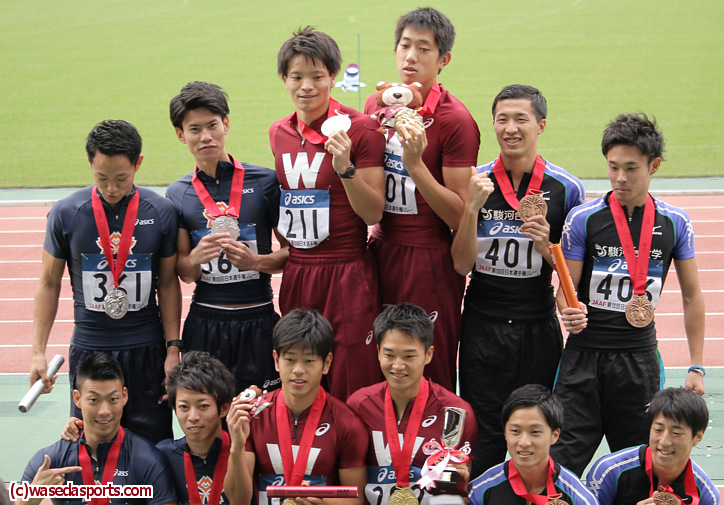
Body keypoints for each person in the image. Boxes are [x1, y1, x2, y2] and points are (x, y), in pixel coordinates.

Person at [552, 112, 706, 475]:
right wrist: (568, 310)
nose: (620, 177)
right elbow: (565, 291)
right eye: (613, 166)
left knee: (638, 467)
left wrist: (696, 365)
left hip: (639, 361)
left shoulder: (675, 222)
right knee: (559, 465)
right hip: (583, 358)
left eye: (631, 168)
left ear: (654, 166)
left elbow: (692, 296)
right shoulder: (583, 218)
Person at [450, 84, 586, 476]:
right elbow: (460, 264)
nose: (510, 128)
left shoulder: (566, 189)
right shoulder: (475, 181)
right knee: (484, 438)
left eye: (520, 119)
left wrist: (547, 247)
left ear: (540, 125)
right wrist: (471, 209)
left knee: (536, 430)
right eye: (502, 119)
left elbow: (573, 274)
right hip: (482, 325)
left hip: (537, 326)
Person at [30, 119, 180, 443]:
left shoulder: (162, 211)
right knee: (92, 446)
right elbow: (48, 283)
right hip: (90, 347)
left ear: (138, 164)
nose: (111, 188)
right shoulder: (66, 213)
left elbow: (168, 284)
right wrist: (37, 352)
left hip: (146, 348)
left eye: (121, 178)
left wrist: (173, 348)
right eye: (102, 178)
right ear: (89, 163)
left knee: (152, 445)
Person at [362, 8, 481, 391]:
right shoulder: (375, 106)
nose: (410, 56)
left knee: (429, 365)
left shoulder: (454, 120)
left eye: (424, 49)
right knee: (380, 361)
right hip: (380, 250)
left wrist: (416, 167)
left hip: (429, 260)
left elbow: (459, 214)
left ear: (443, 59)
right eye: (404, 46)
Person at [270, 27, 386, 400]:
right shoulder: (278, 132)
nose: (307, 86)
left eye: (317, 76)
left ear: (333, 77)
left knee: (353, 384)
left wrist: (345, 169)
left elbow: (373, 213)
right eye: (297, 77)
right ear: (284, 79)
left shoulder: (362, 128)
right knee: (299, 382)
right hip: (298, 272)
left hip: (347, 271)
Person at [166, 81, 287, 393]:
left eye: (212, 125)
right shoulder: (178, 193)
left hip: (259, 318)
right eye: (194, 129)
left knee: (261, 410)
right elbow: (185, 273)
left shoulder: (264, 182)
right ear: (181, 135)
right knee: (205, 412)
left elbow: (291, 254)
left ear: (226, 124)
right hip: (206, 322)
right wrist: (195, 258)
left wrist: (255, 262)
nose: (205, 136)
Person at [347, 303, 477, 505]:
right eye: (389, 355)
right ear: (378, 352)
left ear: (428, 354)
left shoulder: (456, 414)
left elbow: (454, 496)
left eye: (409, 356)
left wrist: (457, 482)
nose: (398, 365)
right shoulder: (358, 406)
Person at [239, 309, 368, 505]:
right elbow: (237, 499)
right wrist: (236, 445)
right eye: (290, 360)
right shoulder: (254, 416)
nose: (298, 370)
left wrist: (323, 503)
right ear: (276, 360)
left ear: (326, 363)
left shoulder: (347, 424)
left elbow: (356, 499)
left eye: (309, 361)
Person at [18, 353, 177, 505]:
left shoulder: (148, 459)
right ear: (77, 399)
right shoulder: (50, 460)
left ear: (124, 396)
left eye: (113, 399)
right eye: (94, 400)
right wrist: (33, 495)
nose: (104, 411)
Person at [586, 388, 719, 505]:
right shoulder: (609, 471)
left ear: (697, 438)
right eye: (658, 430)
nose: (664, 441)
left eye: (676, 433)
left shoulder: (705, 492)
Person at [468, 385, 597, 505]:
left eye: (535, 432)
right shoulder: (480, 491)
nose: (524, 442)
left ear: (555, 435)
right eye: (515, 431)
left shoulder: (579, 498)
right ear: (505, 433)